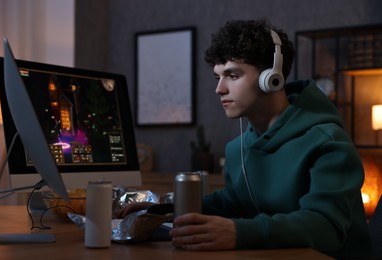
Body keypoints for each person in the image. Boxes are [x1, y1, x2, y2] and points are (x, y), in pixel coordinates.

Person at [119, 19, 372, 259]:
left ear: (271, 79)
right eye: (218, 76)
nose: (219, 88)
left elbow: (326, 227)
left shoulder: (328, 143)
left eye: (232, 75)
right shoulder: (238, 149)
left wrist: (239, 232)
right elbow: (233, 202)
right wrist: (163, 208)